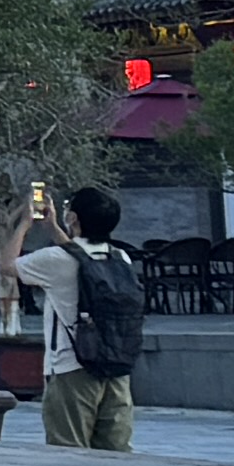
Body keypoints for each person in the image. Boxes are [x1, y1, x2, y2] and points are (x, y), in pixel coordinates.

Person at [30, 183, 142, 448]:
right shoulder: (120, 257)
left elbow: (7, 266)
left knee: (69, 450)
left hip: (72, 364)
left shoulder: (55, 258)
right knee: (115, 451)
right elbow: (79, 257)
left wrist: (23, 222)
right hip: (115, 361)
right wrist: (55, 229)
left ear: (73, 218)